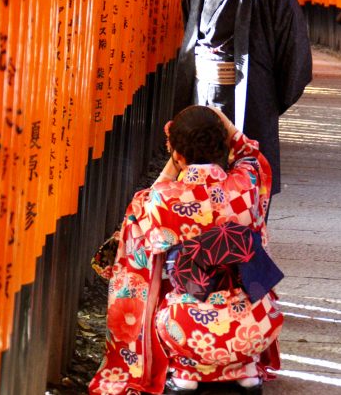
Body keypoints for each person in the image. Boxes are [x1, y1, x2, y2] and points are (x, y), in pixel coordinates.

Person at [89, 105, 284, 395]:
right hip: (256, 324)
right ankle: (245, 372)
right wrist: (224, 125)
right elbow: (253, 157)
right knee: (244, 310)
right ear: (223, 146)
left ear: (177, 154)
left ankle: (186, 375)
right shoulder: (246, 185)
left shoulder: (162, 200)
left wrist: (174, 162)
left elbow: (137, 218)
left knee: (169, 300)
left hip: (188, 328)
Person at [174, 0, 312, 206]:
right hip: (202, 99)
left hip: (249, 106)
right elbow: (189, 39)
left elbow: (293, 50)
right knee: (199, 204)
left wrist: (266, 103)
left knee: (244, 203)